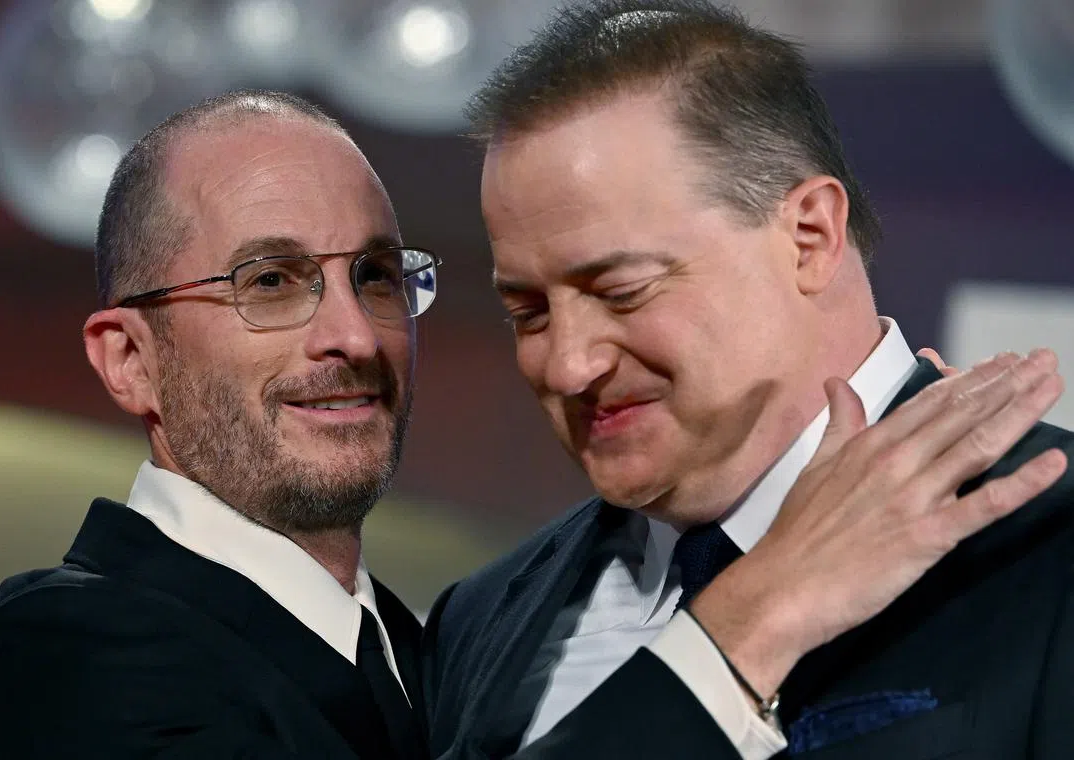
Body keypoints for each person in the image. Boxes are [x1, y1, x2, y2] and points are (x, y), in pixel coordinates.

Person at [423, 2, 1074, 758]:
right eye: (528, 312)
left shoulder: (1051, 546)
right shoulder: (477, 621)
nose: (568, 364)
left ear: (810, 237)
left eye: (622, 290)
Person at [0, 90, 440, 759]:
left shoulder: (437, 659)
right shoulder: (69, 659)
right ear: (130, 360)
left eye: (376, 276)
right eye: (269, 282)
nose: (355, 335)